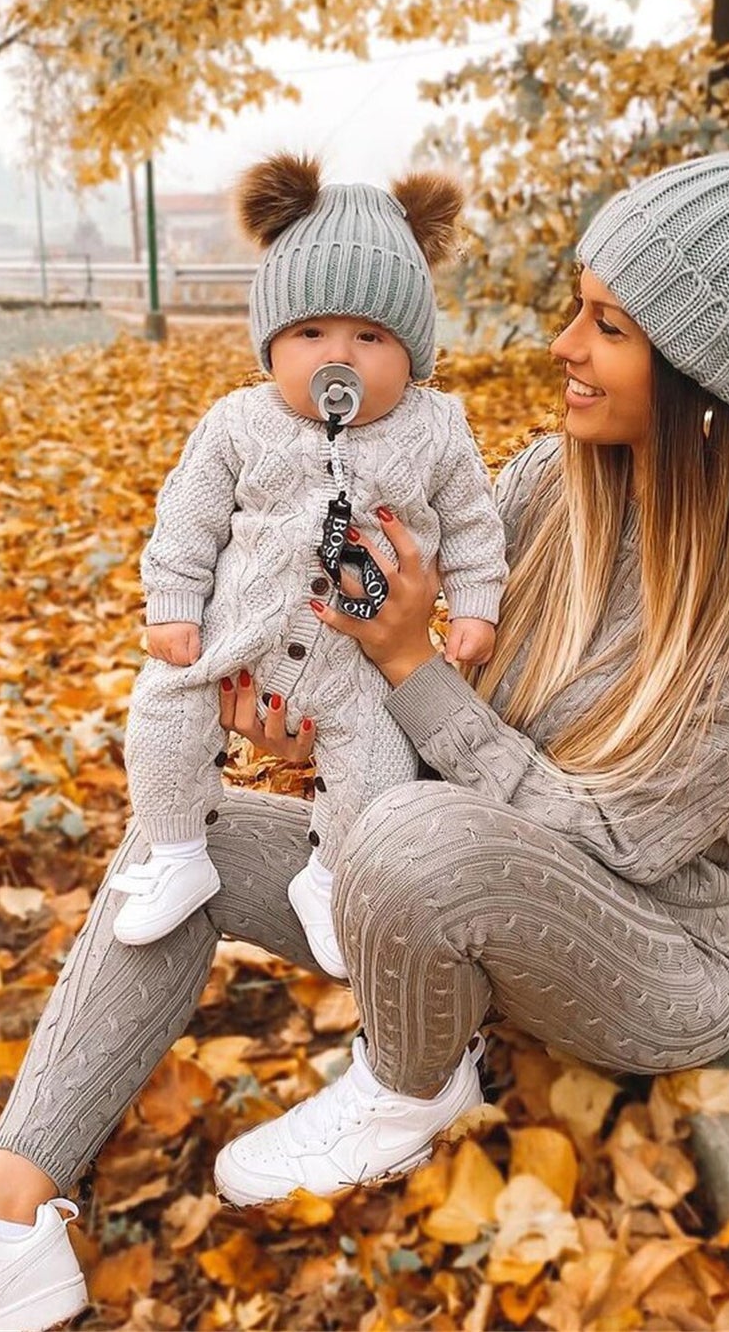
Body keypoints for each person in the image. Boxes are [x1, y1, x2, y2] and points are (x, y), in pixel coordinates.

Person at [0, 106, 729, 1331]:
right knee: (174, 843)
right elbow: (409, 693)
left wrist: (409, 670)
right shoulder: (543, 485)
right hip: (447, 889)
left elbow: (613, 844)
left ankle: (408, 1082)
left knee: (408, 838)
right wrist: (321, 699)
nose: (562, 344)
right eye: (576, 304)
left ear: (704, 372)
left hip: (648, 958)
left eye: (606, 326)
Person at [109, 153, 507, 977]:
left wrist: (474, 603)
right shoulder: (235, 424)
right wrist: (174, 603)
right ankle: (179, 851)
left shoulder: (435, 429)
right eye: (311, 334)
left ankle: (328, 878)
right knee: (160, 716)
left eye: (370, 336)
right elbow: (185, 517)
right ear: (271, 344)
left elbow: (473, 522)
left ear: (413, 353)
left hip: (359, 663)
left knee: (375, 766)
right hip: (233, 643)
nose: (341, 356)